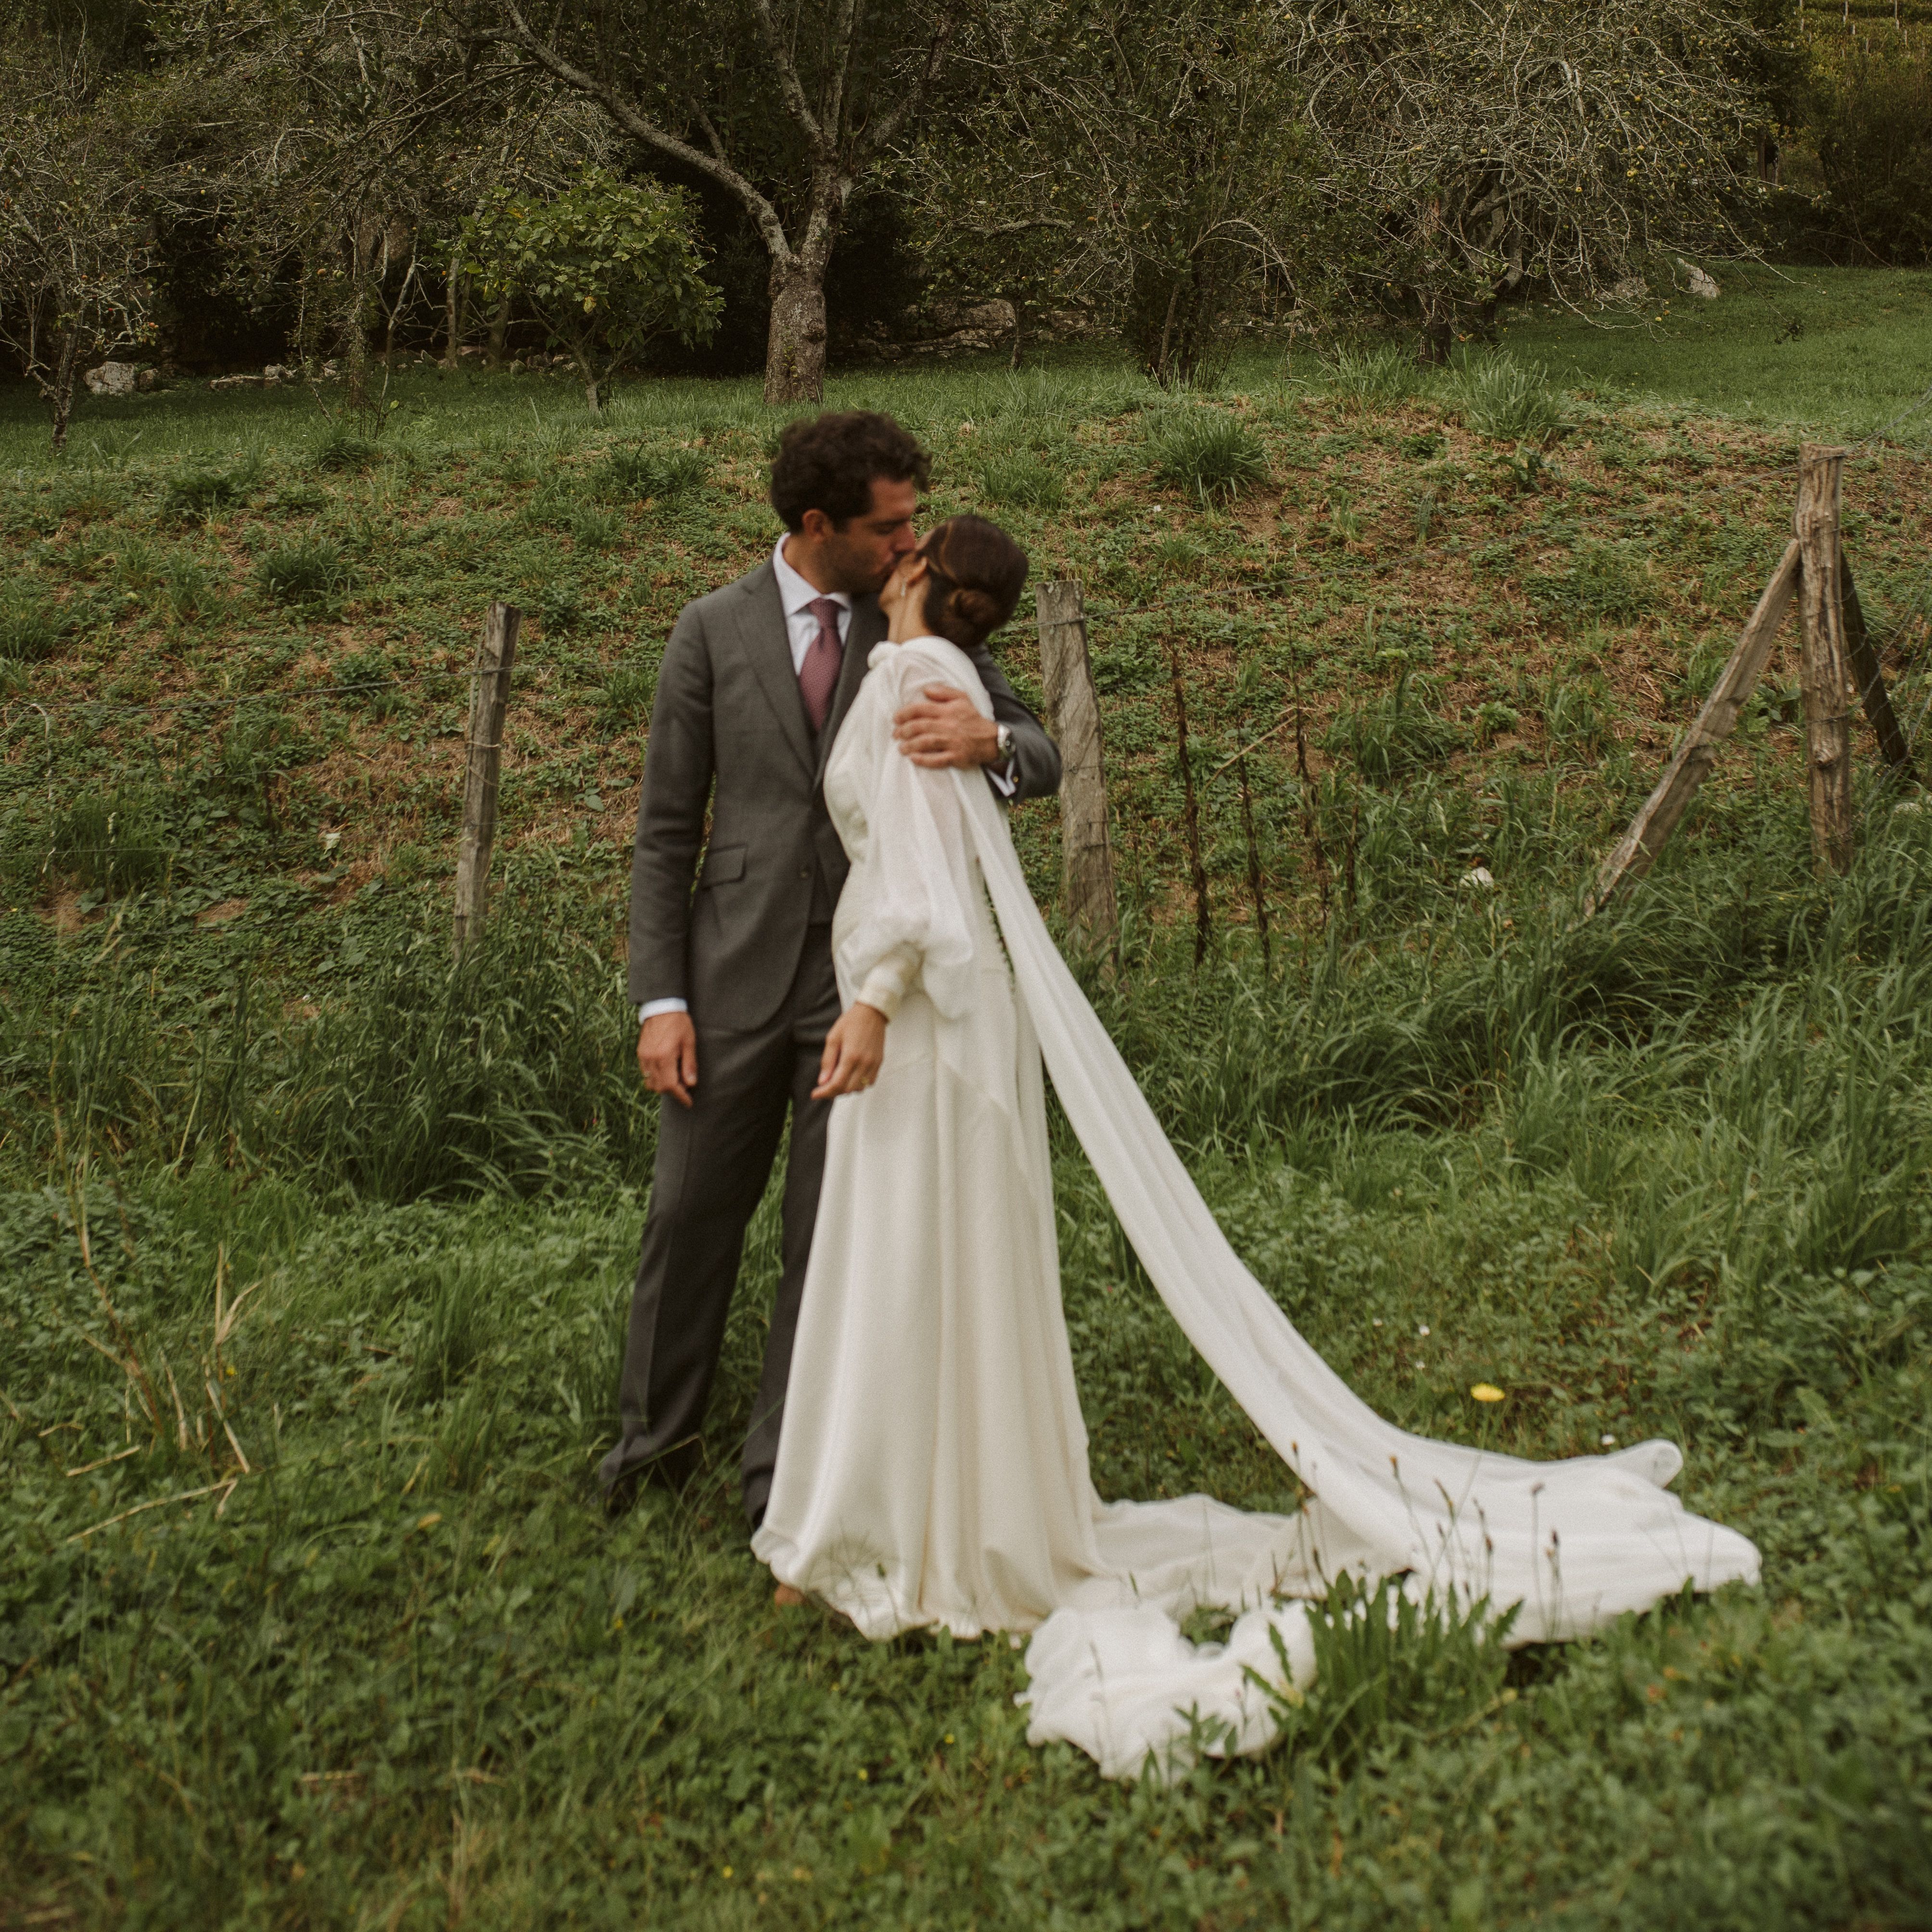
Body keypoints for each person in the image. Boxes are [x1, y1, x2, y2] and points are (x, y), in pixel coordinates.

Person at [752, 513, 1762, 1780]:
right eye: (891, 517)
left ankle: (903, 1526)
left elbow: (928, 864)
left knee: (909, 1261)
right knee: (909, 1260)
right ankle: (918, 1506)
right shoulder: (887, 653)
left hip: (923, 1008)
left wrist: (878, 987)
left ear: (921, 579)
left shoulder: (929, 677)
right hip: (926, 1000)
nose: (900, 538)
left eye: (914, 532)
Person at [601, 412, 1060, 1529]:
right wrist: (661, 996)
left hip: (868, 989)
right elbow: (667, 830)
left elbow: (1039, 750)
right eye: (890, 526)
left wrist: (991, 745)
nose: (912, 545)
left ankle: (781, 1476)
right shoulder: (710, 631)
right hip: (727, 975)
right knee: (687, 1216)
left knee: (827, 1237)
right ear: (819, 525)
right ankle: (650, 1456)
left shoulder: (916, 624)